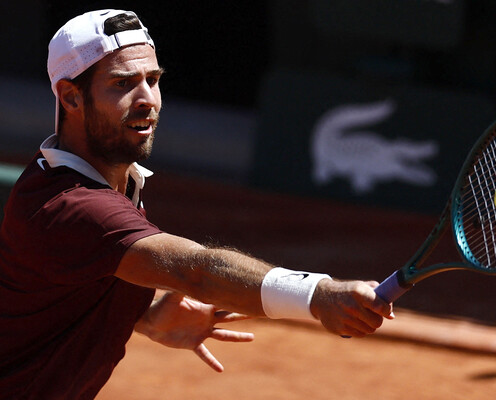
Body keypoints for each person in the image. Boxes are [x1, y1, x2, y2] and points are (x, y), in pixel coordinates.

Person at [0, 9, 394, 400]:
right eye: (123, 84)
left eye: (153, 80)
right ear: (71, 96)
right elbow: (197, 272)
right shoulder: (71, 205)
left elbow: (64, 292)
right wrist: (319, 295)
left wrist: (147, 317)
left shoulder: (112, 185)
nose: (147, 99)